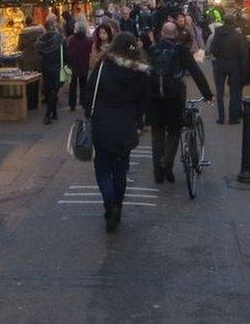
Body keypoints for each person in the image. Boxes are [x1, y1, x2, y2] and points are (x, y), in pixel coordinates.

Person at [84, 32, 150, 232]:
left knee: (103, 168)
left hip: (103, 122)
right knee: (120, 169)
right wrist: (139, 120)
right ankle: (118, 206)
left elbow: (89, 92)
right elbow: (144, 101)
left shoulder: (104, 65)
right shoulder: (139, 72)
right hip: (126, 124)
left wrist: (88, 111)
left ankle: (109, 203)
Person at [147, 22, 213, 183]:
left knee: (157, 133)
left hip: (154, 97)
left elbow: (146, 73)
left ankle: (158, 172)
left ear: (162, 33)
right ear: (176, 34)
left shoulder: (152, 49)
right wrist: (208, 94)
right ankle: (167, 164)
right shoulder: (181, 49)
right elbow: (195, 71)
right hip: (174, 97)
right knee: (174, 131)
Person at [210, 17, 250, 125]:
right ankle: (233, 118)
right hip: (234, 66)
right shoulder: (237, 35)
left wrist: (219, 56)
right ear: (233, 22)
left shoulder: (218, 33)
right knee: (234, 92)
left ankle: (221, 118)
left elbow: (212, 49)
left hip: (220, 65)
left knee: (219, 93)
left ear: (223, 21)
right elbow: (243, 54)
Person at [36, 15, 66, 125]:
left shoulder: (41, 41)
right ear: (54, 27)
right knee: (55, 91)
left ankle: (54, 112)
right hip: (57, 68)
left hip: (46, 68)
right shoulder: (60, 39)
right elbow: (66, 54)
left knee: (50, 91)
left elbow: (39, 54)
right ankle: (47, 115)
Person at [66, 22, 92, 112]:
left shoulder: (71, 39)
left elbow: (68, 52)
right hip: (84, 64)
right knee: (83, 85)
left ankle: (72, 105)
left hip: (72, 65)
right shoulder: (88, 40)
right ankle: (83, 102)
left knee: (72, 86)